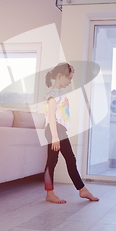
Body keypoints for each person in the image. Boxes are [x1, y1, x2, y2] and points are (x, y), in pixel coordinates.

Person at [43, 62, 99, 204]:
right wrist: (55, 137)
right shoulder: (52, 94)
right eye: (69, 78)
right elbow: (50, 116)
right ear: (60, 76)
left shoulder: (60, 93)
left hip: (58, 130)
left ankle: (74, 190)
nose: (70, 81)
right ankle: (80, 190)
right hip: (54, 130)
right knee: (61, 160)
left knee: (55, 161)